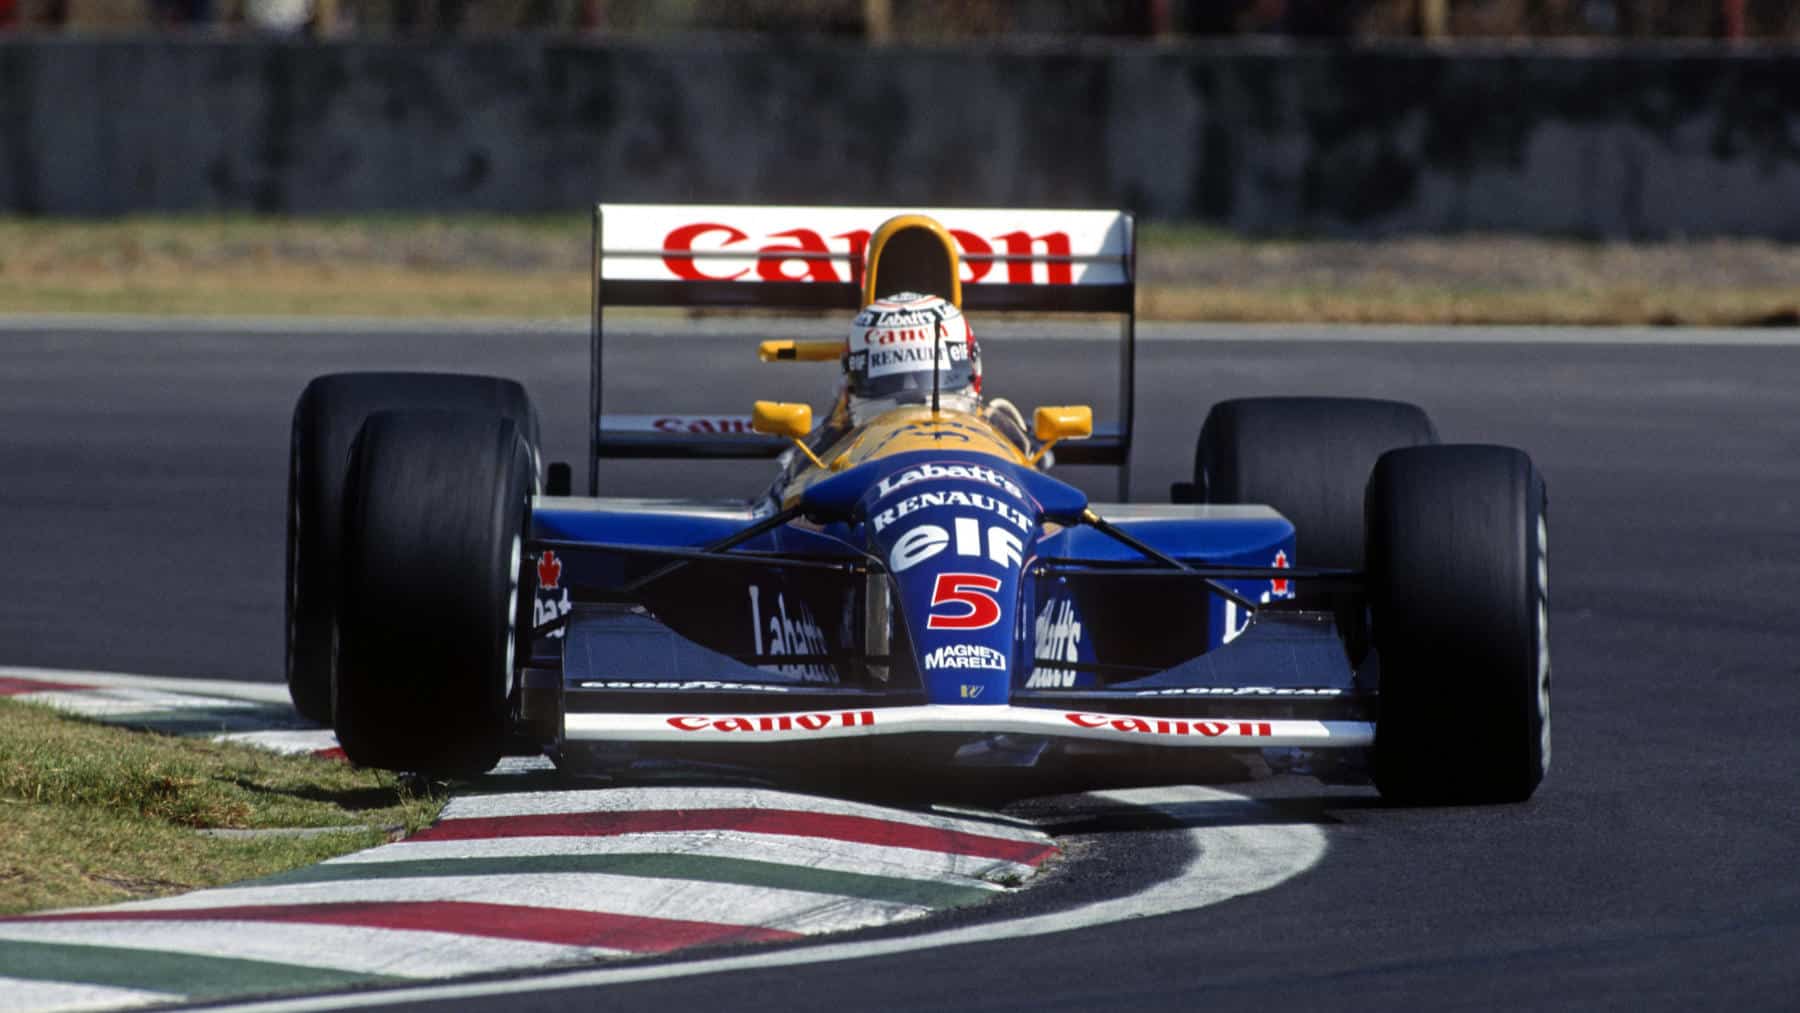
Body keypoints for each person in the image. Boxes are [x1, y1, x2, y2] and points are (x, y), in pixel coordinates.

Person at [804, 290, 1032, 462]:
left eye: (928, 376)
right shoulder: (831, 443)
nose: (912, 397)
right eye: (889, 382)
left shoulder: (1006, 433)